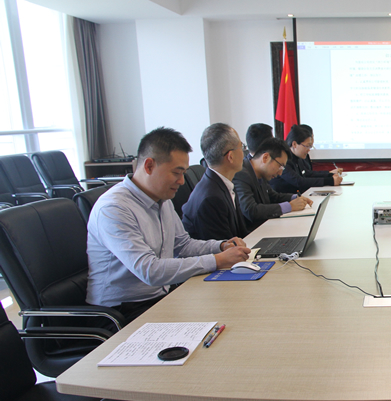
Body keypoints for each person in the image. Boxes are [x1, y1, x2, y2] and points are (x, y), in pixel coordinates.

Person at [86, 126, 250, 323]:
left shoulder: (162, 200)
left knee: (232, 310)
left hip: (159, 297)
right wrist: (217, 260)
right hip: (120, 312)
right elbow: (150, 270)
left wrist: (221, 246)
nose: (181, 181)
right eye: (176, 173)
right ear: (149, 166)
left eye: (184, 173)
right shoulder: (114, 208)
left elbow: (183, 245)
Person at [182, 123, 249, 241]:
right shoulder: (211, 198)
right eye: (242, 146)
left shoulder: (221, 184)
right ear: (231, 156)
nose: (244, 152)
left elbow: (241, 234)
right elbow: (224, 247)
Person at [233, 137, 314, 233]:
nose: (280, 173)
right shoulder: (241, 174)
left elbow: (273, 196)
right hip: (252, 234)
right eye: (280, 166)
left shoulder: (261, 173)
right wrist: (289, 206)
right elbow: (250, 210)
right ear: (265, 158)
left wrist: (296, 197)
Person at [270, 124, 342, 193]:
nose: (309, 150)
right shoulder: (283, 159)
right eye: (307, 146)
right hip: (285, 198)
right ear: (294, 144)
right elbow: (298, 181)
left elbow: (307, 174)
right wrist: (329, 181)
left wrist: (329, 175)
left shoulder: (298, 157)